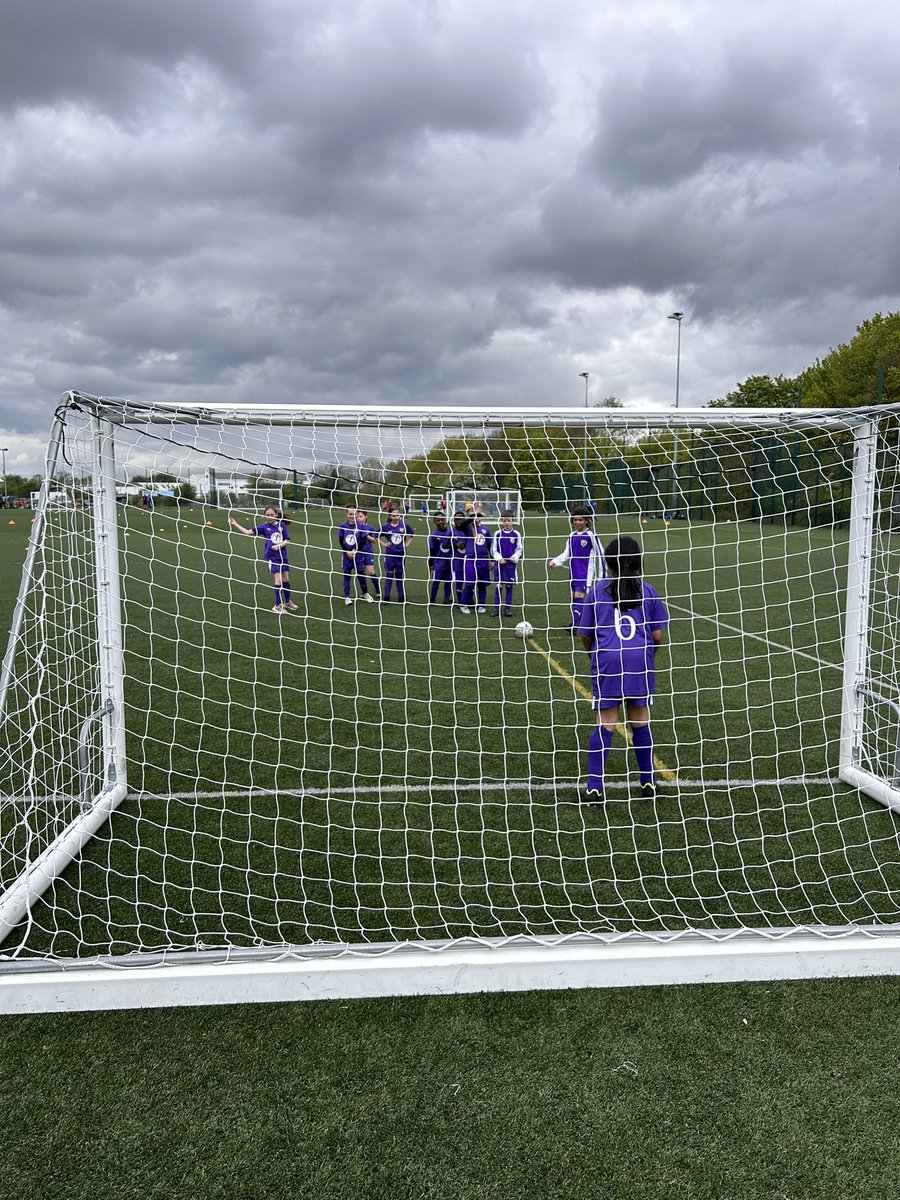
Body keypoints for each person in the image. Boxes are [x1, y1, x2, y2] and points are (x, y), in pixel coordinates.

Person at [578, 536, 669, 802]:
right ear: (638, 561)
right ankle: (649, 781)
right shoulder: (648, 591)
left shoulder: (597, 591)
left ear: (608, 563)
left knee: (606, 722)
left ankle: (595, 786)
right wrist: (647, 656)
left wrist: (595, 653)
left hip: (608, 660)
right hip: (639, 661)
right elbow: (657, 637)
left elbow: (585, 634)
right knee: (640, 719)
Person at [228, 506, 296, 613]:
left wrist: (279, 546)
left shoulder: (281, 525)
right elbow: (247, 532)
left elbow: (287, 540)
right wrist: (235, 524)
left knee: (286, 579)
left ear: (276, 515)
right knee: (278, 580)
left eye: (272, 515)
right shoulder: (264, 527)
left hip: (283, 556)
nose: (269, 517)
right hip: (272, 557)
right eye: (267, 515)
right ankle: (277, 606)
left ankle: (287, 602)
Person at [548, 504, 605, 633]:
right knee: (574, 598)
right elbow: (566, 553)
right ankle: (577, 623)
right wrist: (555, 561)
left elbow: (601, 554)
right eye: (575, 519)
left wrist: (602, 576)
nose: (578, 522)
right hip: (573, 572)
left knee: (580, 596)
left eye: (580, 519)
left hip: (585, 574)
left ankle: (575, 626)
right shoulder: (572, 535)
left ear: (586, 520)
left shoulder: (591, 535)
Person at [336, 505, 376, 605]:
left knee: (361, 575)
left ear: (357, 514)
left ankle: (365, 593)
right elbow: (341, 541)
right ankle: (347, 597)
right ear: (347, 514)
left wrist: (355, 550)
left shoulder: (361, 526)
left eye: (355, 514)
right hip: (347, 555)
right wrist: (347, 551)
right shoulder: (343, 526)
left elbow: (363, 541)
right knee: (347, 576)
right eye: (350, 514)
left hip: (358, 555)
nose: (352, 516)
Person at [492, 509, 523, 617]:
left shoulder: (516, 534)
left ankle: (507, 609)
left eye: (509, 520)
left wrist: (514, 557)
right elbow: (494, 549)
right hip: (500, 564)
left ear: (513, 521)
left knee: (509, 586)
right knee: (499, 586)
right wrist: (499, 558)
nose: (507, 523)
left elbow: (519, 549)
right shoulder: (497, 533)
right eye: (504, 521)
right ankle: (496, 609)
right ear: (502, 521)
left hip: (510, 565)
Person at [379, 507, 415, 601]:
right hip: (390, 555)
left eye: (398, 515)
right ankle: (386, 597)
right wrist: (383, 544)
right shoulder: (386, 526)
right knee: (389, 575)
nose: (396, 517)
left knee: (399, 576)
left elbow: (412, 535)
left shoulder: (404, 525)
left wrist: (406, 544)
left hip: (400, 555)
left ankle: (401, 597)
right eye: (394, 516)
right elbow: (376, 535)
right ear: (390, 516)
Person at [470, 509, 495, 614]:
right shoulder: (467, 528)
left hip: (483, 560)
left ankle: (481, 604)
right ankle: (467, 603)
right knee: (469, 584)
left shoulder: (485, 530)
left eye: (478, 516)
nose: (476, 518)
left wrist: (492, 560)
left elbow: (490, 546)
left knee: (482, 584)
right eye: (473, 516)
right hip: (470, 560)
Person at [427, 512, 454, 604]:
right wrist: (430, 564)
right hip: (438, 562)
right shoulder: (433, 535)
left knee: (448, 581)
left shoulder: (450, 532)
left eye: (442, 520)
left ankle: (446, 599)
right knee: (436, 581)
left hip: (449, 561)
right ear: (434, 521)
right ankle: (432, 599)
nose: (440, 522)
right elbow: (431, 551)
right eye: (438, 520)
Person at [451, 510, 470, 610]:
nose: (458, 521)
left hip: (468, 560)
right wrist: (455, 544)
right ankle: (460, 601)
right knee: (459, 580)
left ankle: (469, 599)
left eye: (460, 519)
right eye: (456, 519)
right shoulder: (452, 531)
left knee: (469, 581)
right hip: (457, 560)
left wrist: (465, 544)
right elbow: (446, 544)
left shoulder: (468, 530)